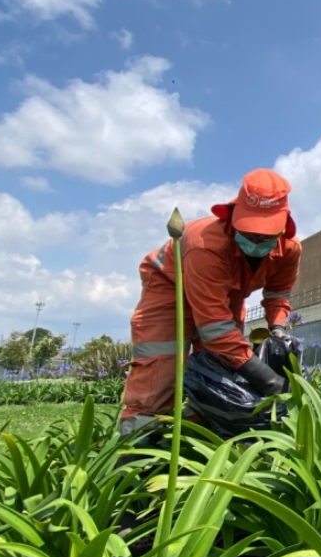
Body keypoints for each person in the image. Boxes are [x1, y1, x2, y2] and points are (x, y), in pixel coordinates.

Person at [120, 168, 302, 436]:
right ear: (233, 216)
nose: (255, 242)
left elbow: (277, 292)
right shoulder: (206, 244)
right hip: (170, 288)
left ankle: (199, 437)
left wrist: (278, 328)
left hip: (224, 296)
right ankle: (136, 448)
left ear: (283, 227)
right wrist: (269, 380)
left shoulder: (289, 250)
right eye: (249, 233)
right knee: (160, 369)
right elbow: (215, 328)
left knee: (218, 371)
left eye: (265, 237)